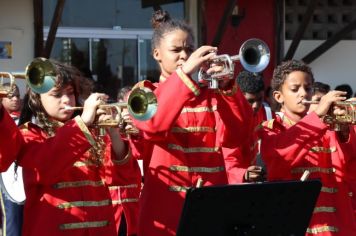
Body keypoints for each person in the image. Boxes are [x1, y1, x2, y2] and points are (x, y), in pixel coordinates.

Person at [130, 10, 253, 236]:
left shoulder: (213, 94)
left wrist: (228, 88)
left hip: (212, 207)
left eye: (189, 49)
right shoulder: (145, 92)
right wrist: (185, 74)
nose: (185, 56)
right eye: (176, 50)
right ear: (157, 53)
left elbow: (239, 136)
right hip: (166, 210)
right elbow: (154, 124)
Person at [17, 59, 140, 236]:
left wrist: (113, 133)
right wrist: (82, 123)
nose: (66, 100)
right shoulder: (30, 134)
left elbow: (125, 179)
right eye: (57, 94)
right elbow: (47, 166)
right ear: (37, 98)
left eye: (70, 93)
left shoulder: (92, 132)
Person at [258, 59, 356, 235]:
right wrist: (317, 115)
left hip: (336, 225)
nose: (303, 94)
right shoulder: (270, 129)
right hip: (297, 225)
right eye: (295, 89)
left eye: (308, 88)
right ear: (279, 97)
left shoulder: (328, 126)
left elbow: (348, 166)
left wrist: (343, 129)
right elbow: (279, 159)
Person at [108, 85, 142, 236]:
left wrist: (138, 131)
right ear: (119, 104)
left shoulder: (141, 131)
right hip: (111, 209)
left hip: (135, 206)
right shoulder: (109, 131)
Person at [0, 83, 24, 236]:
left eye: (17, 95)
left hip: (21, 177)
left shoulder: (27, 119)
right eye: (10, 96)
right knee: (11, 222)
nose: (15, 99)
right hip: (6, 176)